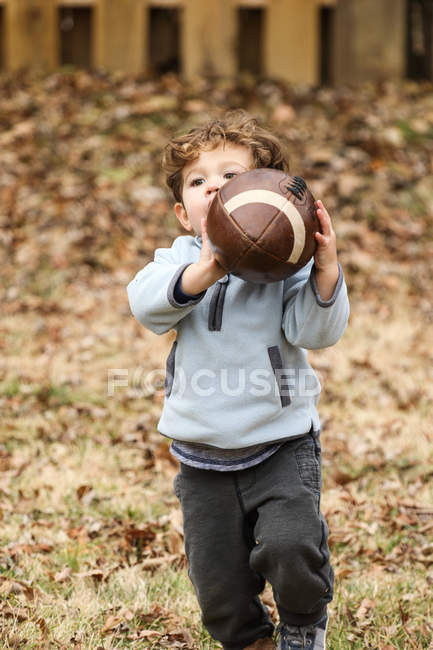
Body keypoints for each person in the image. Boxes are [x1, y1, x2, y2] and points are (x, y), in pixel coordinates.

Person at [126, 110, 350, 650]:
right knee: (217, 582)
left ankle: (302, 624)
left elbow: (316, 332)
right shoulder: (178, 260)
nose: (215, 187)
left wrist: (323, 271)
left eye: (231, 175)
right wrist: (204, 270)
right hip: (203, 453)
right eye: (199, 182)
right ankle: (251, 642)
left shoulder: (286, 270)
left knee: (291, 545)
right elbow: (147, 306)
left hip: (281, 443)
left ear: (269, 193)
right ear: (184, 214)